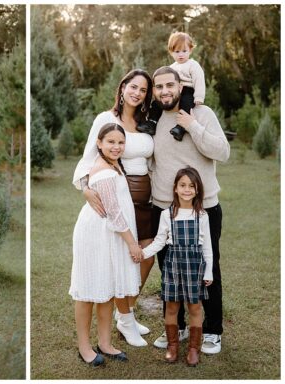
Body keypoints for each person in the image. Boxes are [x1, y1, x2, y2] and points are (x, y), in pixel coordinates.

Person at [146, 65, 229, 353]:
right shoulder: (153, 119)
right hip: (163, 210)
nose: (165, 91)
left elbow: (223, 151)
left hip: (202, 210)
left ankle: (213, 330)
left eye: (170, 85)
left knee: (207, 267)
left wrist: (192, 125)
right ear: (154, 91)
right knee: (169, 271)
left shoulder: (201, 113)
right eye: (159, 87)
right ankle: (178, 327)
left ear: (180, 86)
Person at [75, 70, 155, 343]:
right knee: (125, 257)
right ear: (122, 87)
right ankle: (127, 319)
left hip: (146, 200)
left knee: (146, 256)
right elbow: (88, 157)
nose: (137, 93)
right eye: (133, 86)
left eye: (143, 90)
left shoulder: (146, 122)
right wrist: (86, 188)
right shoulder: (106, 119)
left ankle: (127, 312)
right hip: (119, 195)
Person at [69, 123, 143, 366]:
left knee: (107, 289)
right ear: (99, 143)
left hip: (110, 235)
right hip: (96, 235)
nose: (116, 146)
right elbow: (113, 212)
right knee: (88, 290)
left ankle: (105, 342)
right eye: (110, 142)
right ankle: (84, 346)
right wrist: (133, 244)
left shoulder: (114, 164)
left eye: (120, 142)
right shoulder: (103, 171)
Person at [142, 167, 213, 366]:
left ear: (197, 190)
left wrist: (208, 272)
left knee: (195, 307)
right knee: (172, 306)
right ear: (175, 188)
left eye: (191, 186)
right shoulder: (167, 214)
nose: (187, 189)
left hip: (194, 265)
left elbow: (207, 247)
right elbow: (159, 241)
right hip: (173, 263)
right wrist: (143, 254)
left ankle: (193, 348)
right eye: (182, 185)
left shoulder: (202, 216)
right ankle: (172, 346)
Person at [166, 32, 206, 141]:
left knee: (186, 103)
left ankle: (180, 128)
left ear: (190, 50)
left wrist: (199, 97)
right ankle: (152, 122)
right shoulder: (171, 67)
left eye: (184, 51)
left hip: (188, 90)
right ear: (171, 52)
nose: (181, 54)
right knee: (157, 104)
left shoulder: (193, 65)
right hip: (174, 91)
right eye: (177, 51)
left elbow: (199, 80)